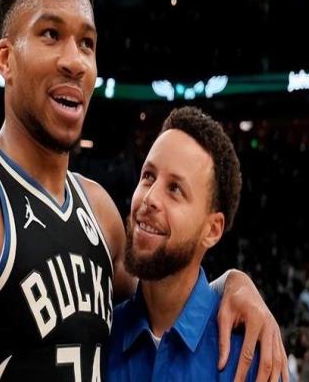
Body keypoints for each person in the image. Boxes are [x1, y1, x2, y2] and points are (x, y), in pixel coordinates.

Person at [0, 0, 287, 381]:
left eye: (87, 43)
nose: (74, 61)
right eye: (50, 34)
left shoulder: (102, 215)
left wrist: (232, 283)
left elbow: (170, 289)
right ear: (6, 59)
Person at [107, 107, 286, 381]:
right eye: (148, 176)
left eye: (175, 189)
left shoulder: (252, 358)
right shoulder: (99, 333)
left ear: (212, 230)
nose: (150, 198)